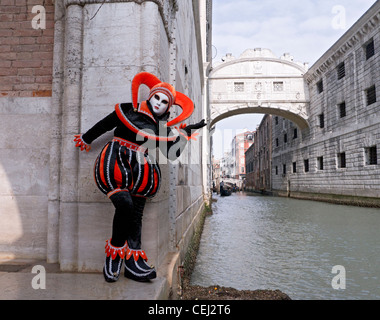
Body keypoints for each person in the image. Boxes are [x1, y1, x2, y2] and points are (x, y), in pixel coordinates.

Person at [74, 72, 206, 283]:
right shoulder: (127, 109)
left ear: (168, 107)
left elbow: (172, 152)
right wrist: (86, 138)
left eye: (165, 102)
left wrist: (185, 134)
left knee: (136, 217)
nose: (159, 104)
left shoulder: (161, 127)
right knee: (124, 204)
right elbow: (104, 125)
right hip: (117, 163)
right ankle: (114, 253)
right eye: (157, 98)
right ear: (150, 96)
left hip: (142, 171)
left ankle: (134, 263)